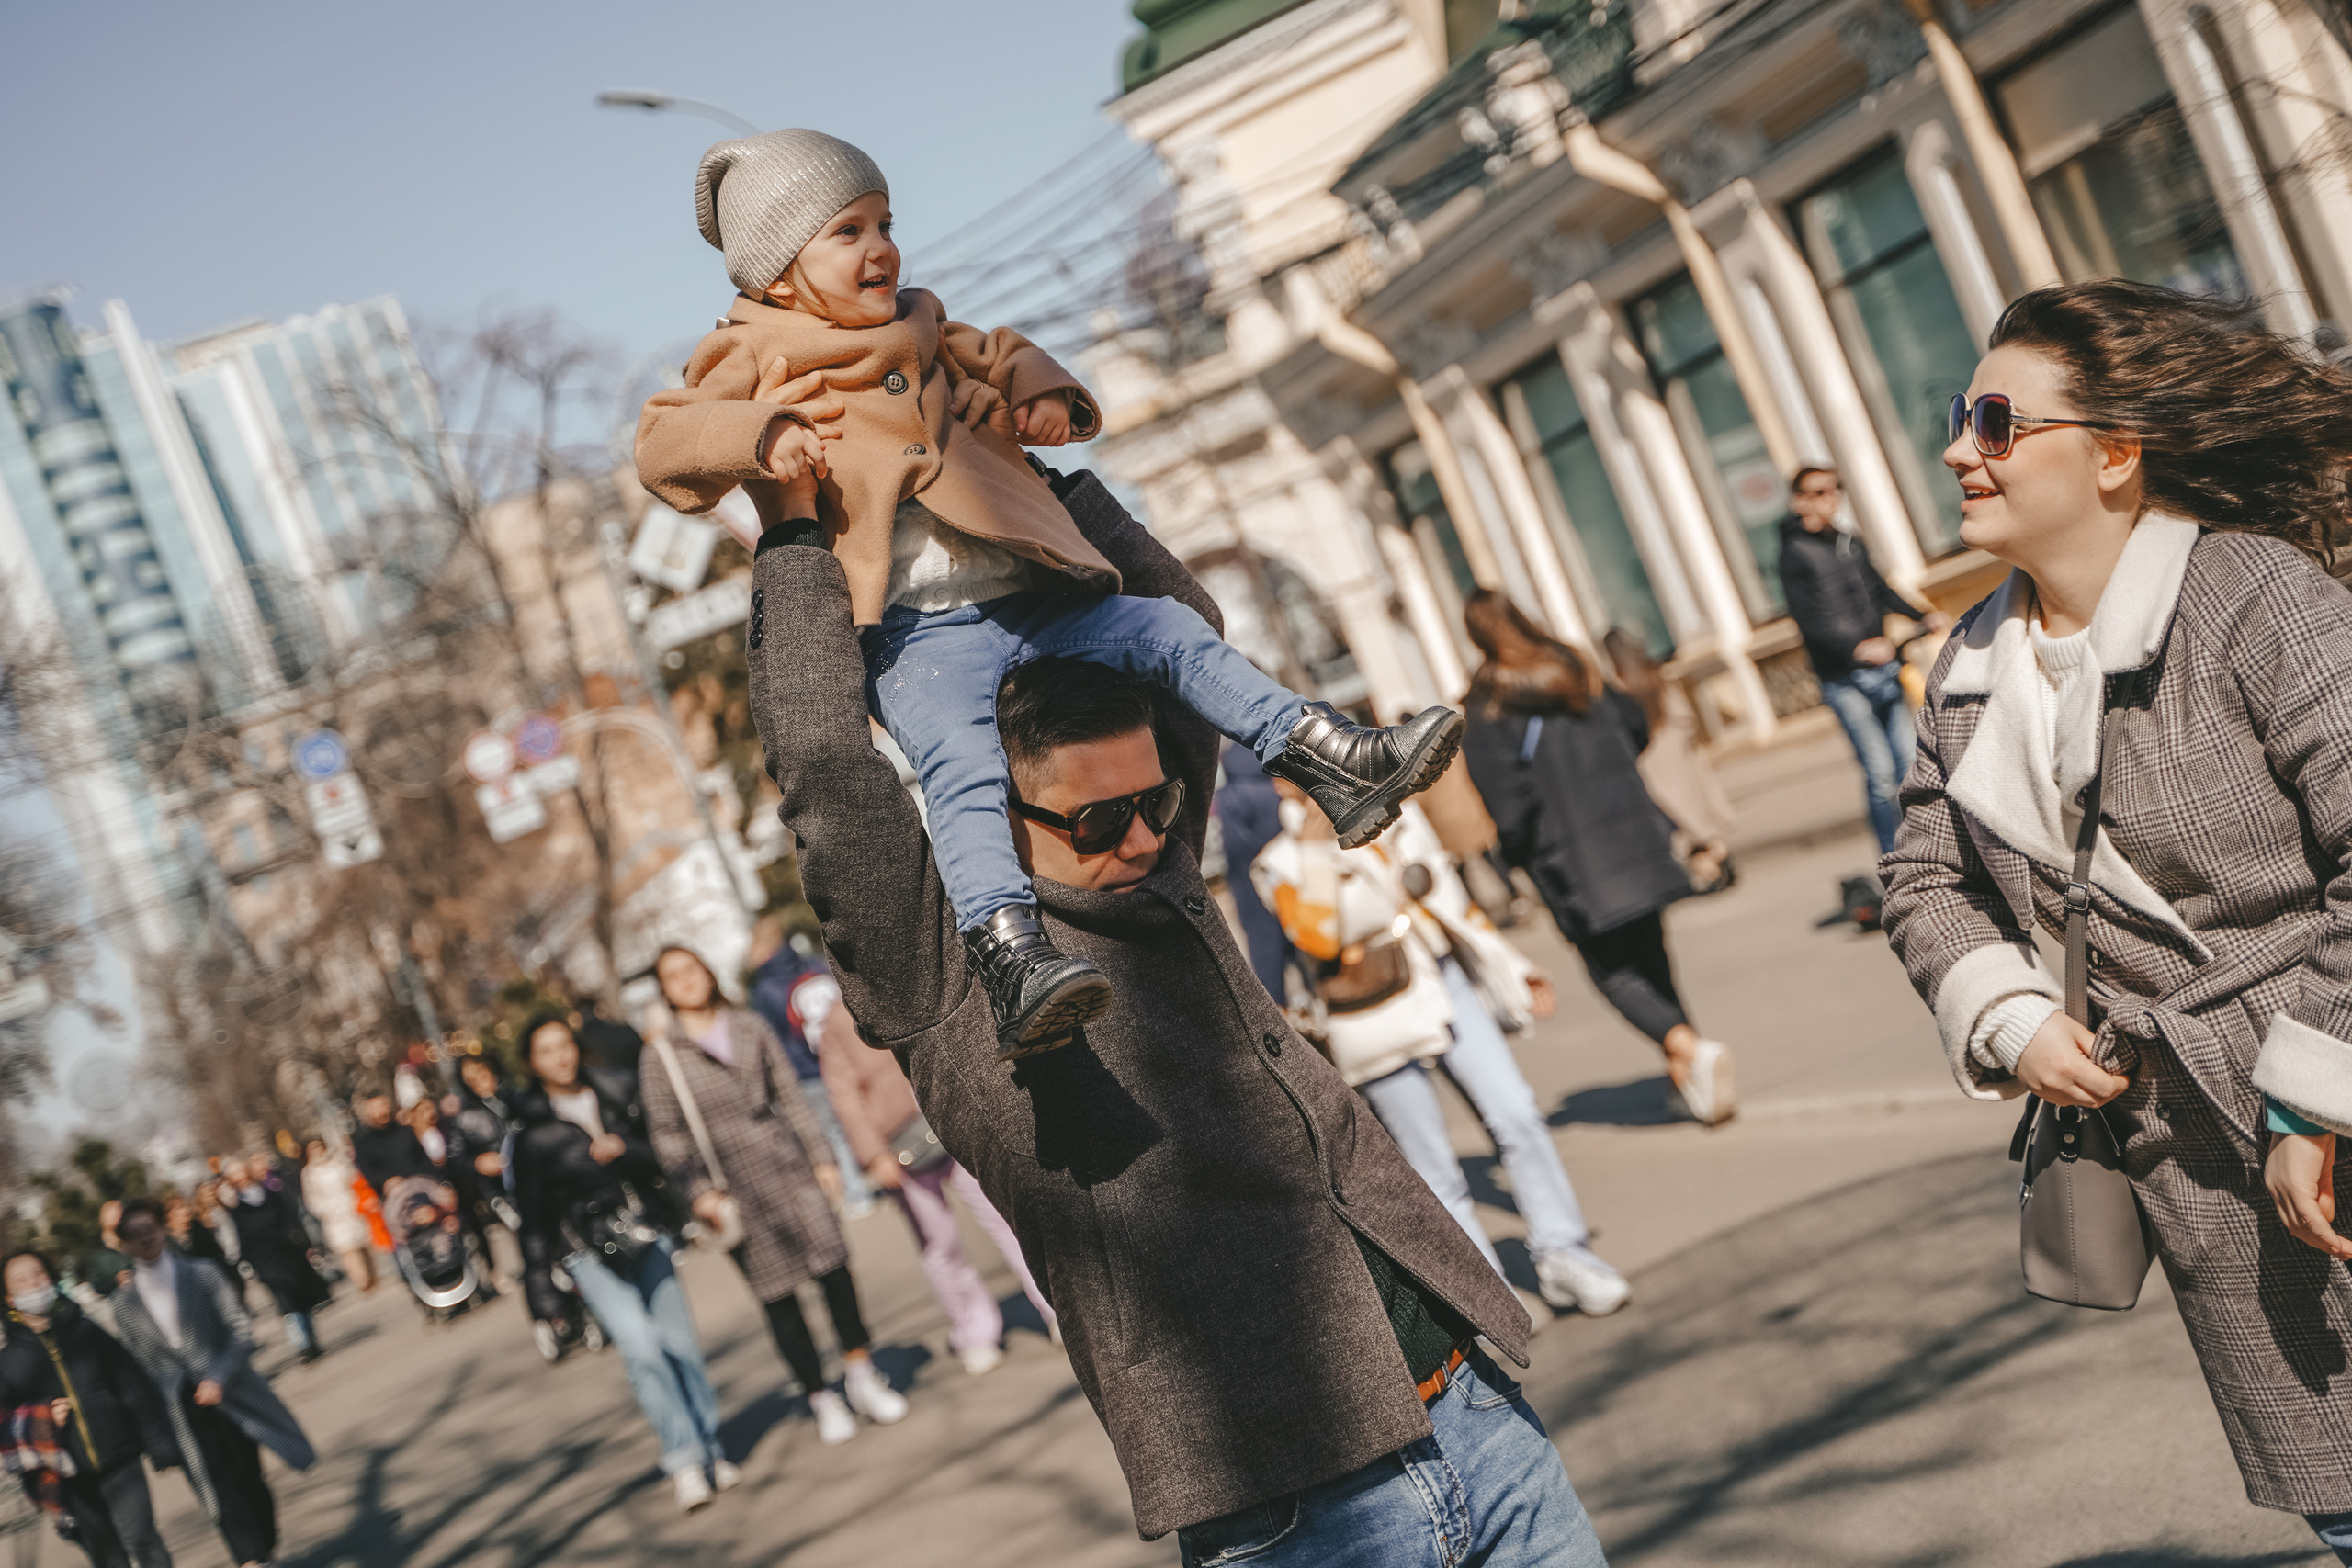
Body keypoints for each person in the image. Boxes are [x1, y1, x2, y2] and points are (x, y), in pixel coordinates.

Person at [746, 464, 1605, 1562]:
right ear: (981, 820)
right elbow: (826, 768)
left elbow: (1186, 628)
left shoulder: (1162, 871)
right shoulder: (939, 972)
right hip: (1291, 1510)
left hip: (1475, 1419)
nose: (1146, 838)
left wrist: (1017, 464)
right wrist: (794, 539)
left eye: (1154, 803)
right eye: (1097, 820)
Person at [637, 127, 1464, 1059]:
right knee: (961, 763)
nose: (880, 249)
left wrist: (1044, 402)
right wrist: (762, 434)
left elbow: (1005, 354)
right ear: (778, 273)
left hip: (1029, 589)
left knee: (1166, 629)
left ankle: (1325, 756)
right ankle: (1008, 948)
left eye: (885, 223)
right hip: (917, 632)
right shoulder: (752, 349)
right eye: (847, 232)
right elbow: (669, 438)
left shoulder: (922, 323)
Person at [1879, 279, 2352, 1560]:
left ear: (2117, 452)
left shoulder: (2256, 598)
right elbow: (1923, 881)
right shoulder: (1968, 666)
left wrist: (2314, 1091)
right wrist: (2012, 1015)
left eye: (1994, 419)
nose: (1955, 448)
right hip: (2197, 1162)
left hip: (2327, 1096)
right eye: (1957, 415)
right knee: (2342, 1494)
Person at [1252, 794, 1631, 1316]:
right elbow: (1317, 939)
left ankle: (1565, 1254)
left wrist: (1513, 966)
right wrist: (1316, 851)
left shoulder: (1397, 817)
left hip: (1445, 977)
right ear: (1281, 784)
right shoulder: (1279, 861)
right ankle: (1490, 1297)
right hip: (1374, 1011)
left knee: (1518, 1114)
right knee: (1432, 1163)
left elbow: (1454, 901)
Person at [1460, 592, 1736, 1126]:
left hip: (1569, 856)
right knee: (1652, 954)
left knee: (1613, 971)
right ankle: (1689, 1074)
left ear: (1476, 638)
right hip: (1632, 828)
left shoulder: (1488, 704)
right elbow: (1634, 724)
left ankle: (1688, 1046)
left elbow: (1508, 807)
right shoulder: (1574, 668)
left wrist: (1513, 860)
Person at [639, 945, 907, 1445]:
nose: (686, 981)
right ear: (665, 990)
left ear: (707, 971)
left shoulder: (749, 1025)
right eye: (673, 976)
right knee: (779, 1298)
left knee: (834, 1272)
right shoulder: (661, 1055)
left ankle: (862, 1374)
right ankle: (819, 1396)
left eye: (691, 969)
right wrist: (699, 1193)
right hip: (732, 1191)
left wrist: (823, 1158)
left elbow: (789, 1093)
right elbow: (666, 1134)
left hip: (788, 1166)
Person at [508, 1013, 737, 1513]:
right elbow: (531, 1219)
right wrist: (541, 1294)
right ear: (532, 1062)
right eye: (547, 1050)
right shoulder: (529, 1135)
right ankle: (682, 1461)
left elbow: (660, 1155)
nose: (561, 1057)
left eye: (565, 1046)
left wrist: (624, 1150)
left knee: (679, 1344)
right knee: (642, 1348)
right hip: (587, 1253)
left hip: (645, 1232)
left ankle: (711, 1447)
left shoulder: (615, 1094)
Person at [810, 997, 1058, 1372]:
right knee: (940, 1244)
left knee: (1006, 1218)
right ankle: (974, 1331)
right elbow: (844, 1096)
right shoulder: (837, 1022)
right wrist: (874, 1155)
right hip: (899, 1149)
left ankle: (1055, 1308)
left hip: (953, 1120)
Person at [107, 1199, 314, 1568]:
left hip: (230, 1389)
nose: (146, 1239)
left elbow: (240, 1328)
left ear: (163, 1229)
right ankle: (249, 1558)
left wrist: (218, 1375)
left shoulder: (201, 1273)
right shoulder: (124, 1303)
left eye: (150, 1230)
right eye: (135, 1235)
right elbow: (138, 1364)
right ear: (124, 1243)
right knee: (215, 1485)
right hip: (179, 1406)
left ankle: (263, 1546)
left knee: (249, 1477)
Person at [1777, 466, 1951, 854]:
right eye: (1819, 492)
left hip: (1884, 669)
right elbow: (1808, 619)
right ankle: (1893, 856)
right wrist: (1855, 648)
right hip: (1844, 680)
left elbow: (1881, 589)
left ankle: (1926, 850)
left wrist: (1922, 614)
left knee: (1909, 764)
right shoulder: (1794, 554)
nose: (1830, 498)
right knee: (1879, 774)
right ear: (1799, 500)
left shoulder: (1849, 542)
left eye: (1834, 489)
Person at [2, 1249, 179, 1568]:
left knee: (142, 1538)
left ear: (53, 1280)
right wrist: (40, 1418)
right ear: (10, 1299)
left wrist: (160, 1443)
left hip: (120, 1456)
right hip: (65, 1474)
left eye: (38, 1274)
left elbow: (133, 1385)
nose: (32, 1284)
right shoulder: (8, 1362)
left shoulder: (87, 1332)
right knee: (108, 1557)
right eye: (21, 1281)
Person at [744, 918, 874, 1215]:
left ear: (762, 948)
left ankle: (857, 1194)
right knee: (860, 1116)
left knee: (831, 1133)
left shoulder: (764, 988)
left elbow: (772, 1037)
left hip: (805, 1070)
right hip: (846, 1058)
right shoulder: (816, 965)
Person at [1602, 628, 1736, 894]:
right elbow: (1685, 718)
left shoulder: (1620, 687)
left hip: (1651, 762)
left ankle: (1707, 868)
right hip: (1678, 755)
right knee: (1698, 816)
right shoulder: (1656, 676)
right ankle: (1716, 857)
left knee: (1678, 822)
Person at [219, 1156, 331, 1364]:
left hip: (291, 1255)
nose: (241, 1178)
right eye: (235, 1176)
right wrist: (251, 1264)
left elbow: (293, 1220)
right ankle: (302, 1344)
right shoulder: (236, 1210)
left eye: (242, 1173)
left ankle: (311, 1339)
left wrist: (306, 1245)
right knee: (285, 1303)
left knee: (302, 1299)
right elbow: (241, 1240)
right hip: (267, 1263)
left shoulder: (273, 1195)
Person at [1213, 740, 1296, 998]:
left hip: (1249, 880)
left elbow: (1235, 847)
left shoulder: (1229, 797)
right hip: (1291, 874)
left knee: (1265, 948)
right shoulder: (1279, 787)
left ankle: (1280, 1009)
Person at [445, 1053, 517, 1290]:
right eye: (471, 1077)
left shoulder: (516, 1098)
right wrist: (478, 1161)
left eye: (482, 1070)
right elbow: (456, 1157)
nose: (480, 1079)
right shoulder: (465, 1117)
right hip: (501, 1190)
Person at [299, 1140, 373, 1295]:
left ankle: (372, 1276)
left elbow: (355, 1179)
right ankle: (361, 1279)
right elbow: (311, 1198)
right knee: (346, 1248)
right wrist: (323, 1210)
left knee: (362, 1244)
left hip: (352, 1206)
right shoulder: (308, 1172)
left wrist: (359, 1201)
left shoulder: (339, 1162)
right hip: (333, 1215)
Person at [349, 1089, 435, 1202]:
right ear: (367, 1112)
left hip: (424, 1189)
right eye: (375, 1108)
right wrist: (388, 1180)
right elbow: (370, 1173)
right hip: (396, 1200)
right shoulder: (362, 1144)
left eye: (383, 1105)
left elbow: (423, 1160)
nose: (381, 1111)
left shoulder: (406, 1131)